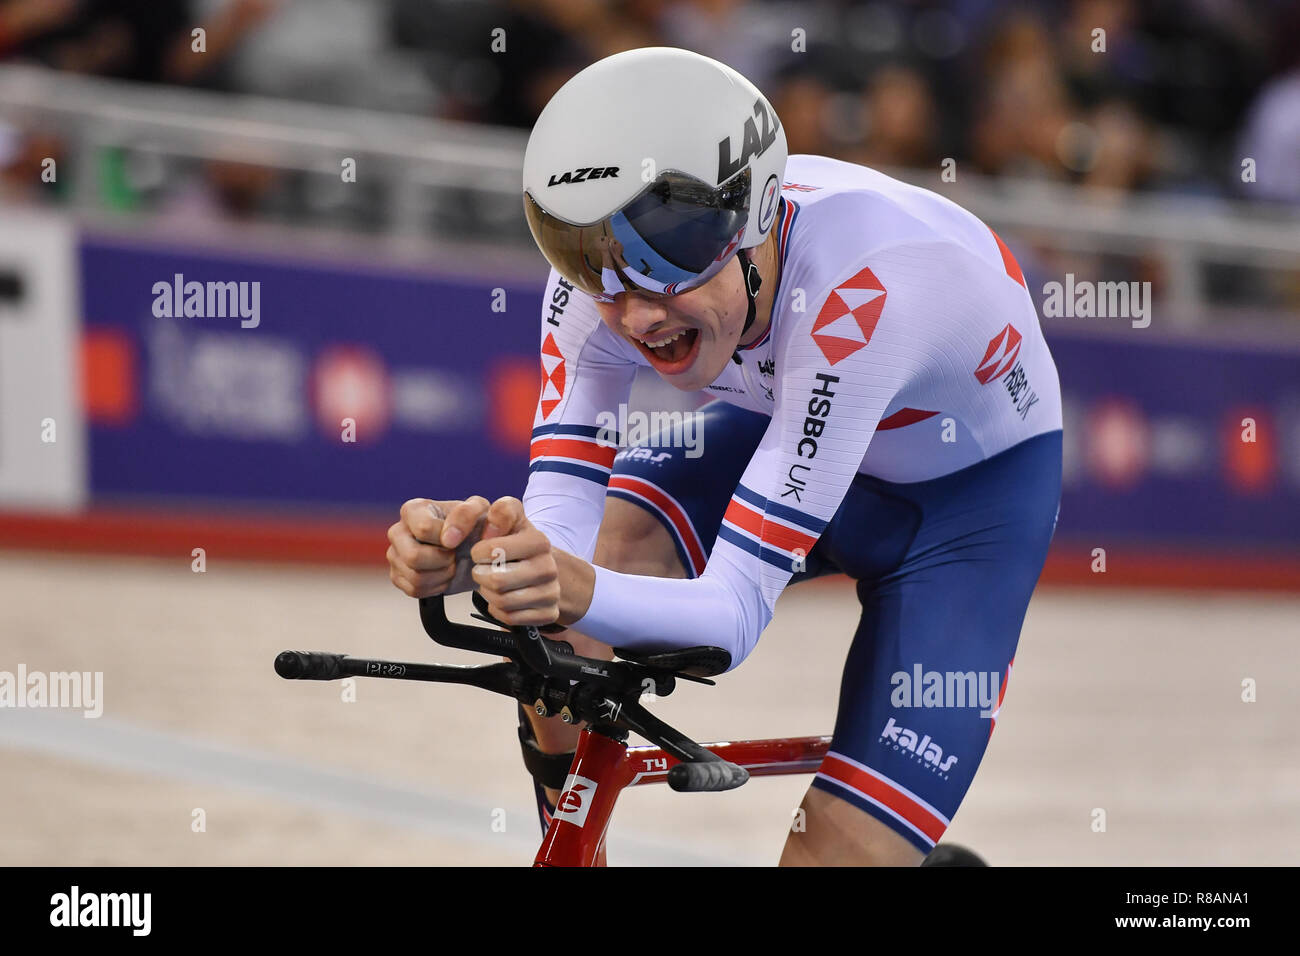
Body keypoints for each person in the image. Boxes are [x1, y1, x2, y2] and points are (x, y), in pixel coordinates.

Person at [387, 47, 1063, 866]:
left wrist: (563, 582)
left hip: (966, 509)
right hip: (789, 427)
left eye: (666, 253)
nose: (633, 314)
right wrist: (493, 562)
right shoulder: (593, 284)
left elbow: (731, 618)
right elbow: (560, 533)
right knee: (562, 623)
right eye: (589, 258)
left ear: (756, 222)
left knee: (831, 853)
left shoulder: (862, 288)